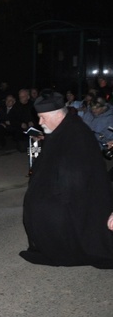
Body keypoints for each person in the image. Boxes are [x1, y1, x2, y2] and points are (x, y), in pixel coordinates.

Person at [20, 90, 113, 268]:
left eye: (43, 118)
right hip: (65, 190)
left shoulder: (77, 133)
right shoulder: (63, 128)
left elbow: (75, 175)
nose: (40, 122)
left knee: (46, 210)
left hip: (77, 197)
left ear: (57, 115)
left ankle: (60, 249)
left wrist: (54, 196)